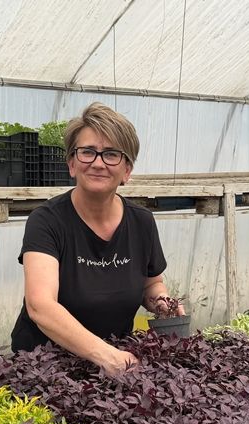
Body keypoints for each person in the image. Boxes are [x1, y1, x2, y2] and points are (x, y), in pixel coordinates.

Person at [10, 102, 183, 375]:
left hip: (114, 361)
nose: (98, 163)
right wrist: (106, 356)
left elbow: (151, 284)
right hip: (45, 366)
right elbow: (40, 305)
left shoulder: (142, 222)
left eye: (112, 154)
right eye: (88, 152)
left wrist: (163, 304)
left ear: (127, 170)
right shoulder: (47, 221)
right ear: (72, 164)